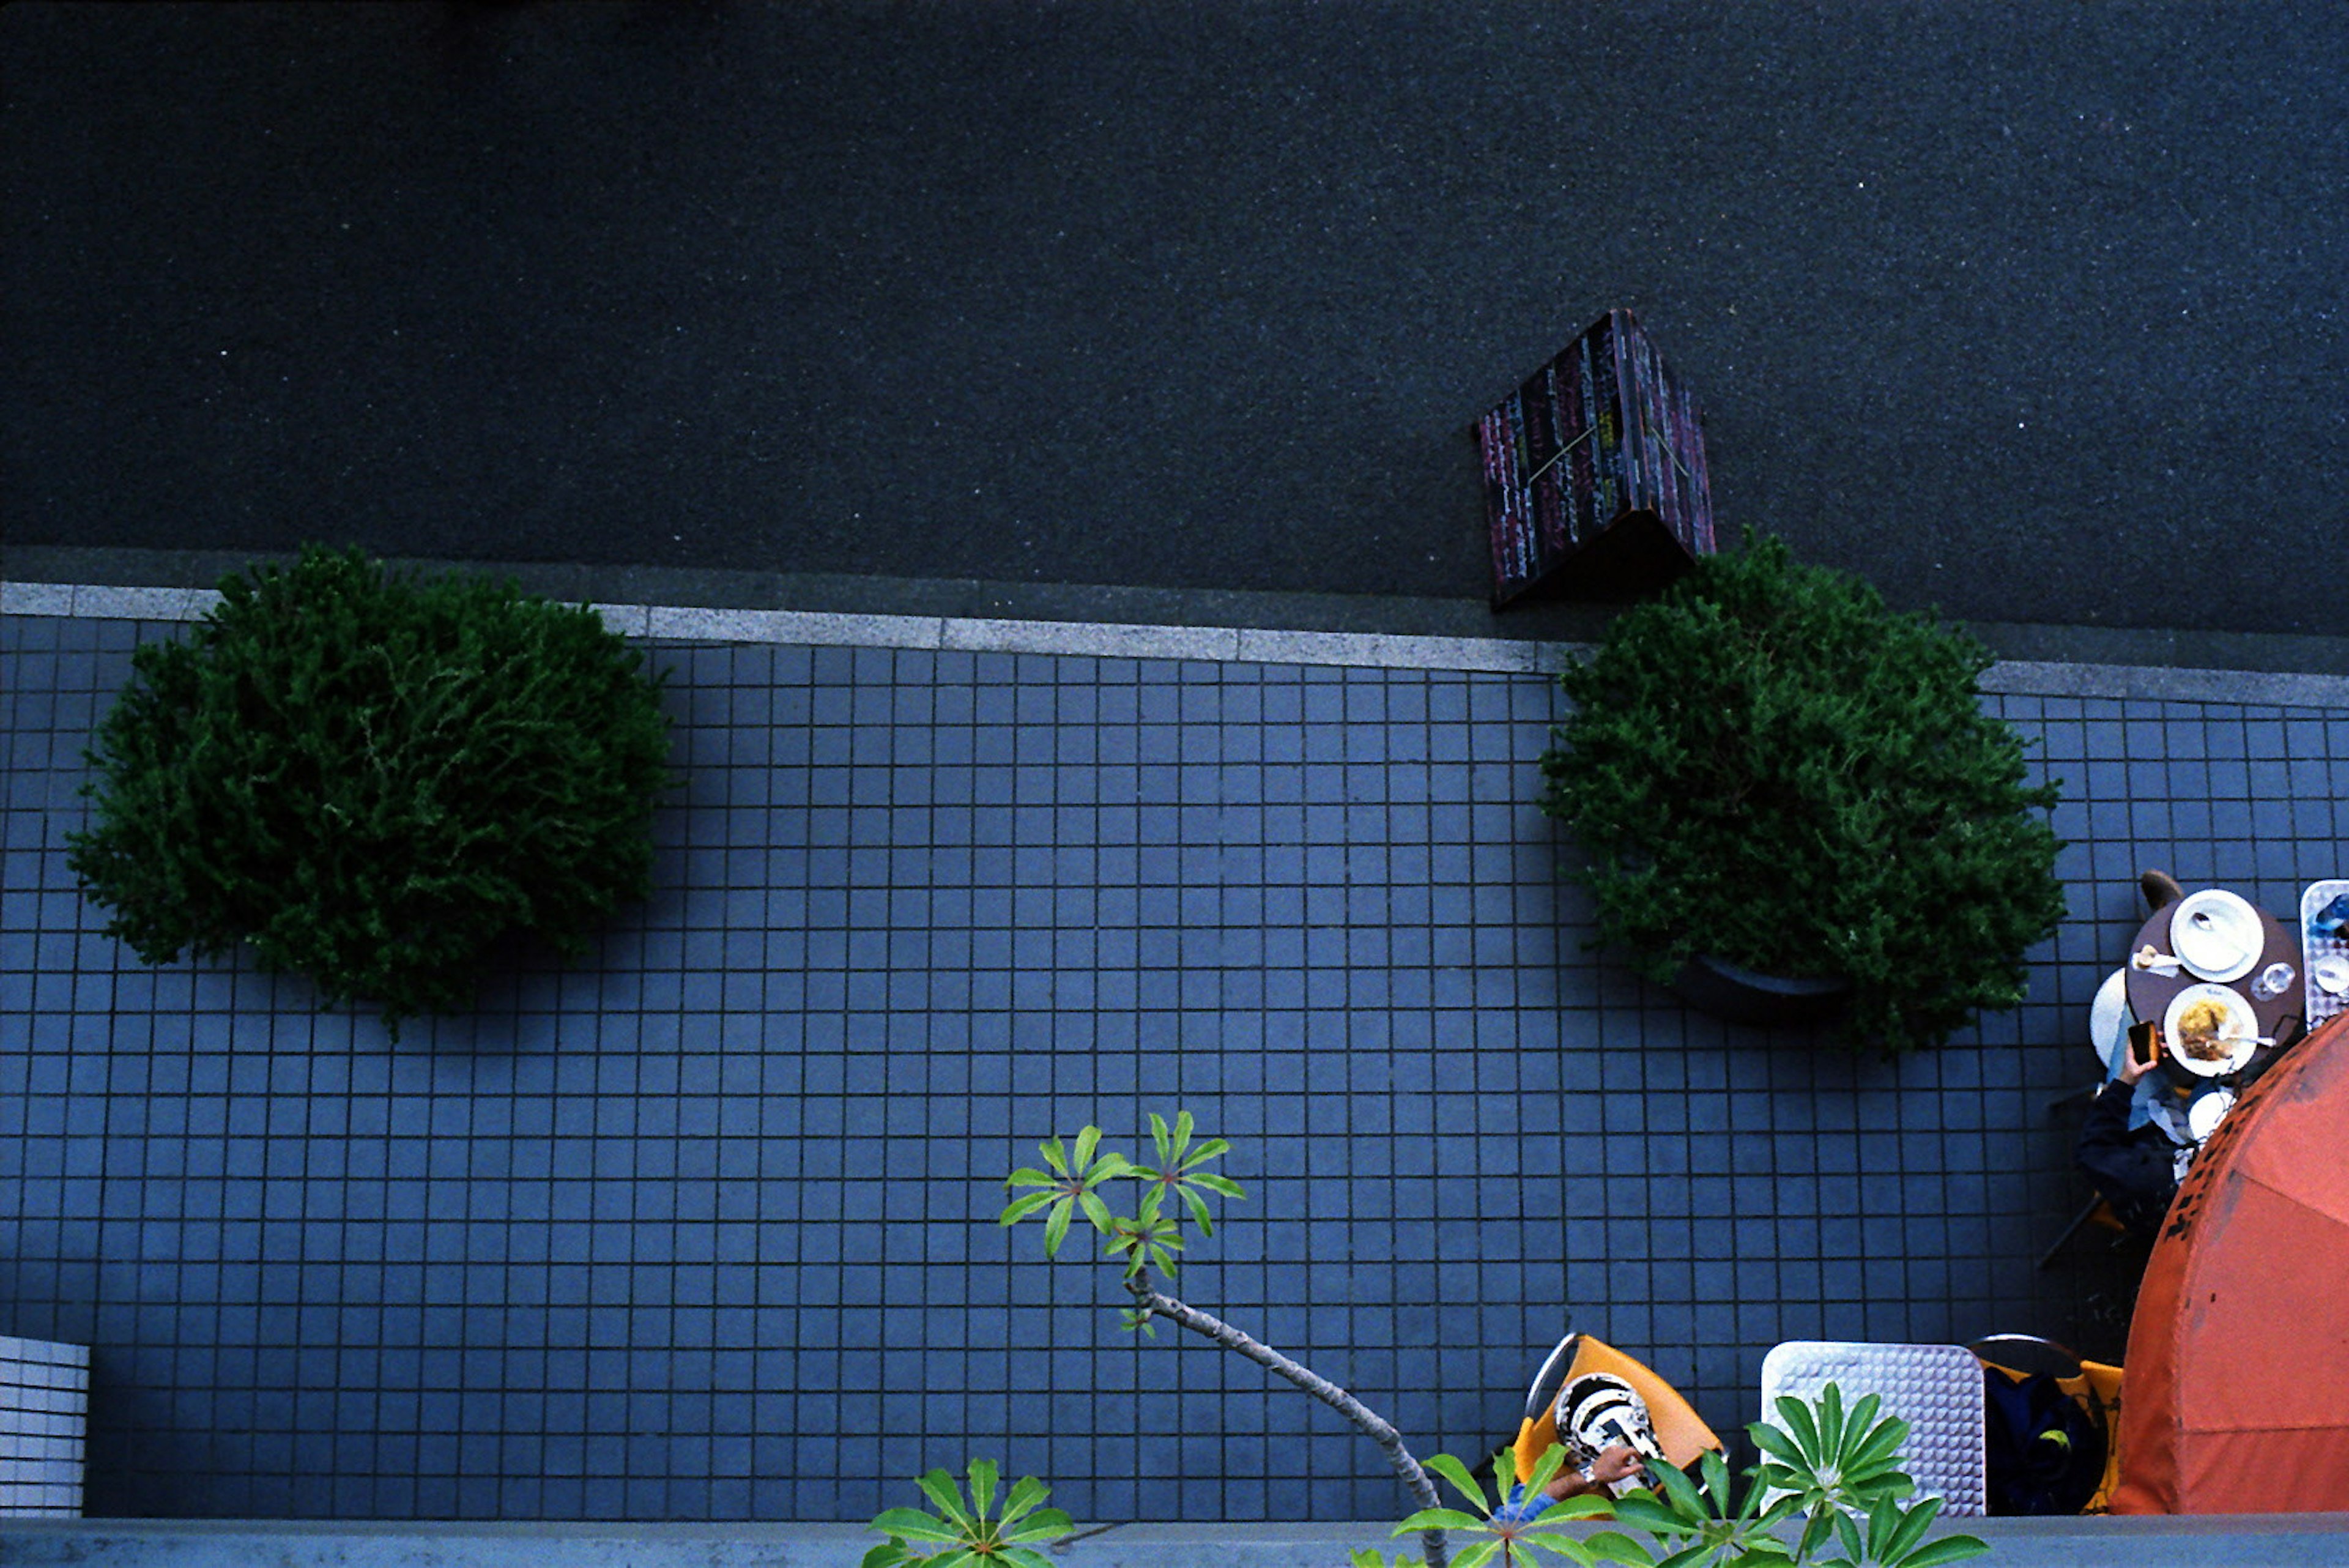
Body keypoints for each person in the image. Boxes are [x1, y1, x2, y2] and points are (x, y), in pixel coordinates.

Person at [2074, 1038, 2185, 1237]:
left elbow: (2094, 1152)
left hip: (2147, 1133)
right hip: (2197, 1118)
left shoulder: (2148, 1183)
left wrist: (2127, 1080)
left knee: (2139, 1025)